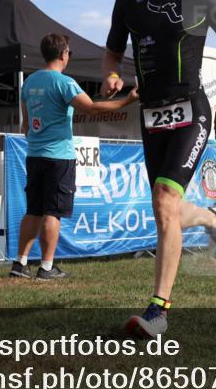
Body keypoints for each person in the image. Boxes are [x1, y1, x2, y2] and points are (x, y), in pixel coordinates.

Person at [102, 0, 216, 338]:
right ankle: (215, 219)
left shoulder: (203, 0)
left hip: (192, 109)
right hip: (151, 114)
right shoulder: (127, 2)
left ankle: (158, 310)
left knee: (164, 200)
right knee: (166, 209)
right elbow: (112, 53)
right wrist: (112, 76)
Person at [10, 34, 139, 280]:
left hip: (34, 154)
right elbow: (90, 107)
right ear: (63, 54)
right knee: (52, 212)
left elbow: (25, 126)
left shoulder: (29, 82)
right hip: (59, 156)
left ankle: (20, 263)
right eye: (69, 53)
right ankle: (47, 267)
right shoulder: (64, 82)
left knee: (33, 210)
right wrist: (127, 101)